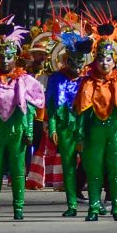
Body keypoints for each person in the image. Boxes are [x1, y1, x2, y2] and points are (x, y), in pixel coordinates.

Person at [74, 25, 117, 222]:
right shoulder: (87, 83)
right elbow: (81, 111)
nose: (105, 63)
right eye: (101, 59)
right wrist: (79, 133)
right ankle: (94, 208)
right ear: (95, 61)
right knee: (93, 170)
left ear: (115, 61)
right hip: (94, 132)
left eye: (108, 59)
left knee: (115, 170)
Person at [0, 23, 44, 220]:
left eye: (9, 57)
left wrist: (29, 131)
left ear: (15, 58)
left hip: (17, 131)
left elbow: (31, 109)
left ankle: (18, 209)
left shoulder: (25, 81)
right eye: (2, 57)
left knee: (17, 172)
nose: (5, 61)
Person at [47, 35, 92, 216]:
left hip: (85, 125)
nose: (78, 67)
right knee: (68, 165)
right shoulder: (56, 78)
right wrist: (52, 126)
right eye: (74, 62)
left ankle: (95, 203)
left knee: (91, 163)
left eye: (81, 62)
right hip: (65, 126)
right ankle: (71, 204)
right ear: (67, 60)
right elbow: (51, 105)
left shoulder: (88, 78)